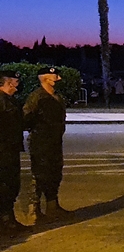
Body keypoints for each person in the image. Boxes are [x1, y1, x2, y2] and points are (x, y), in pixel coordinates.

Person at [23, 67, 73, 223]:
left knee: (55, 173)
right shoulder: (37, 97)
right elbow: (26, 118)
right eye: (54, 76)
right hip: (40, 142)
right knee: (39, 175)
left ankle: (52, 205)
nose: (57, 78)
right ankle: (34, 209)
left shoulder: (57, 97)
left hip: (55, 141)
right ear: (45, 78)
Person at [0, 70, 28, 233]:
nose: (17, 87)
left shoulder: (11, 101)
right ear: (8, 83)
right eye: (15, 83)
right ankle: (5, 221)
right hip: (3, 150)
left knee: (11, 184)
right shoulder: (2, 102)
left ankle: (9, 219)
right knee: (4, 185)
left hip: (11, 149)